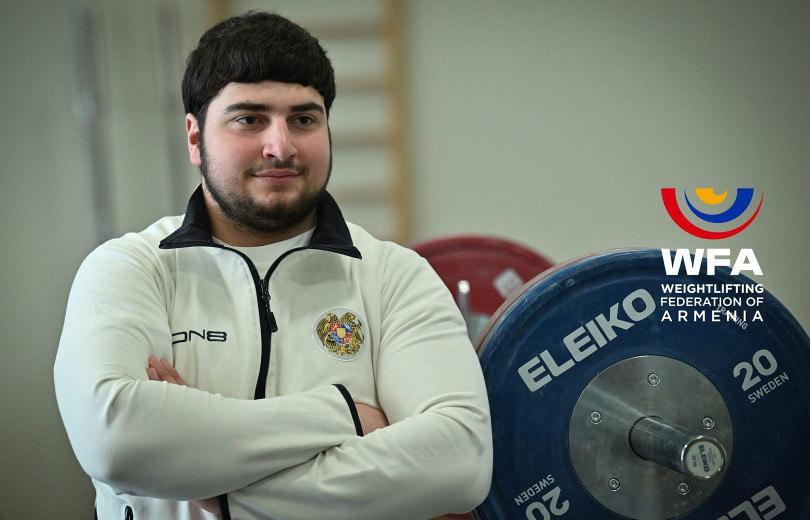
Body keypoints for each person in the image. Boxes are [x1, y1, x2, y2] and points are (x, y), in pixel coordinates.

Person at [54, 11, 492, 520]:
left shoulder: (395, 276)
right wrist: (345, 414)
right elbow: (116, 440)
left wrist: (222, 494)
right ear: (195, 138)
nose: (280, 147)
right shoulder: (129, 269)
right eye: (249, 119)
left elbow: (460, 461)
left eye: (303, 119)